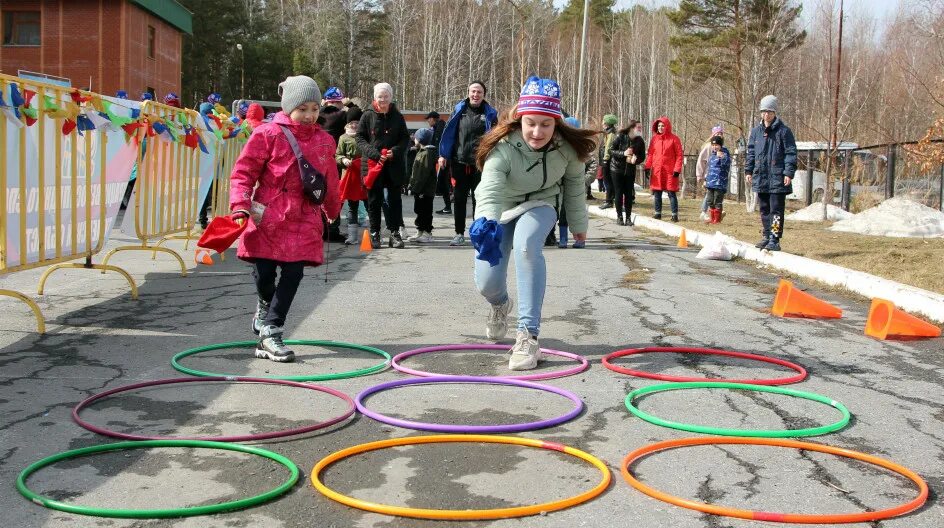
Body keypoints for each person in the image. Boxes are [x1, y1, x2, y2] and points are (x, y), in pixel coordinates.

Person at [472, 75, 596, 370]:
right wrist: (486, 222)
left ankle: (528, 335)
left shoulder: (567, 150)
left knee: (527, 246)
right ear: (520, 119)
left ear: (557, 123)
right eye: (531, 123)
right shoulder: (502, 147)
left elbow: (576, 188)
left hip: (542, 203)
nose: (537, 132)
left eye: (546, 124)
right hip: (501, 209)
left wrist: (579, 225)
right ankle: (500, 304)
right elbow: (488, 189)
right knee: (486, 283)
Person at [229, 75, 342, 362]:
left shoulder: (325, 141)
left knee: (293, 272)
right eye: (302, 108)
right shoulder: (267, 134)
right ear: (289, 107)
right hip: (268, 215)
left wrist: (332, 209)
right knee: (265, 272)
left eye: (315, 108)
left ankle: (271, 330)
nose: (309, 115)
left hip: (305, 215)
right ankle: (265, 303)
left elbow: (329, 179)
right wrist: (240, 205)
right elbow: (244, 172)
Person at [438, 81, 499, 246]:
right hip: (459, 162)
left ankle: (478, 233)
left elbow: (496, 138)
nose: (476, 95)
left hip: (480, 163)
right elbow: (448, 133)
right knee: (459, 199)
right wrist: (443, 154)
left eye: (479, 92)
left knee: (479, 199)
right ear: (468, 92)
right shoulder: (459, 111)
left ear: (483, 95)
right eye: (473, 91)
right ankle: (458, 233)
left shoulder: (491, 114)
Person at [355, 82, 410, 249]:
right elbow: (360, 138)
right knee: (374, 200)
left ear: (391, 97)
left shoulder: (397, 116)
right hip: (372, 163)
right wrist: (375, 154)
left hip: (393, 164)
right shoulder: (367, 115)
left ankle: (394, 233)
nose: (383, 99)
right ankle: (375, 233)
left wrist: (395, 151)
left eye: (386, 96)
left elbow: (405, 139)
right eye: (380, 96)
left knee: (394, 200)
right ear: (375, 97)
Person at [745, 95, 797, 252]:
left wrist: (788, 173)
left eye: (769, 112)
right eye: (763, 111)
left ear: (774, 113)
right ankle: (766, 235)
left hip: (777, 178)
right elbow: (751, 153)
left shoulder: (784, 132)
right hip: (761, 176)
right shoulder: (756, 132)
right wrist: (749, 170)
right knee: (764, 209)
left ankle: (774, 238)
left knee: (776, 210)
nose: (766, 115)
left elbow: (790, 153)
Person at [644, 116, 683, 222]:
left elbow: (679, 155)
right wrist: (647, 167)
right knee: (657, 192)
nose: (660, 127)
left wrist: (677, 169)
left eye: (662, 125)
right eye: (659, 126)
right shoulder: (654, 139)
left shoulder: (674, 139)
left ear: (667, 126)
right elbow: (651, 154)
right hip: (657, 170)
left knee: (671, 193)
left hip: (670, 171)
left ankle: (674, 215)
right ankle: (658, 213)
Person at [608, 120, 646, 226]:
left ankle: (628, 217)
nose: (640, 129)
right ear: (631, 128)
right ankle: (619, 217)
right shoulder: (620, 136)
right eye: (638, 127)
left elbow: (642, 156)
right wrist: (623, 153)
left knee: (629, 194)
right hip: (616, 169)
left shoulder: (640, 141)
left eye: (641, 127)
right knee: (619, 193)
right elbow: (610, 150)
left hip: (630, 170)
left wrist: (636, 160)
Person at [336, 119, 367, 245]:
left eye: (356, 122)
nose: (354, 125)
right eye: (351, 123)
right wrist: (343, 160)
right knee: (352, 206)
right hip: (349, 175)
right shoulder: (343, 138)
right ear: (347, 124)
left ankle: (375, 234)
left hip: (364, 174)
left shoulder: (365, 135)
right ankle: (352, 236)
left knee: (369, 204)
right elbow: (337, 155)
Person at [408, 127, 437, 243]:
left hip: (425, 189)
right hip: (420, 188)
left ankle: (427, 232)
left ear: (419, 140)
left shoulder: (426, 153)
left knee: (425, 211)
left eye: (415, 138)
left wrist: (416, 188)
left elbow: (422, 173)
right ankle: (420, 231)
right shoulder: (421, 152)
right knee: (419, 210)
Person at [696, 125, 724, 221]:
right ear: (713, 135)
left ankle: (716, 212)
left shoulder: (722, 147)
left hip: (719, 176)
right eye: (717, 133)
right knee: (709, 194)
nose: (719, 135)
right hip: (709, 175)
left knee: (717, 194)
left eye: (721, 133)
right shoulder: (709, 147)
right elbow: (701, 160)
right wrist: (699, 174)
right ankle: (704, 212)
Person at [704, 135, 730, 224]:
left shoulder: (725, 154)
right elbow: (709, 169)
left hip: (719, 183)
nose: (715, 147)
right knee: (710, 200)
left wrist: (722, 157)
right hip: (710, 183)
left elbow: (726, 165)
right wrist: (705, 180)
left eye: (717, 145)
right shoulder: (712, 156)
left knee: (717, 201)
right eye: (713, 145)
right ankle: (712, 218)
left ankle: (717, 219)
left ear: (721, 146)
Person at [597, 114, 618, 208]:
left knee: (607, 181)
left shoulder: (610, 134)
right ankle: (609, 200)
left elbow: (608, 147)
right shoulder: (608, 132)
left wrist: (605, 159)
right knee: (607, 181)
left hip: (607, 160)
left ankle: (609, 201)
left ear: (607, 123)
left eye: (603, 121)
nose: (602, 123)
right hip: (606, 160)